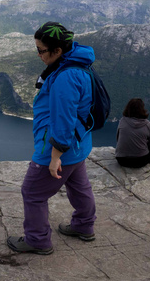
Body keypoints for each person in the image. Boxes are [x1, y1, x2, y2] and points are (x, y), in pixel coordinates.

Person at [6, 22, 96, 255]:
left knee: (33, 192)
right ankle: (84, 226)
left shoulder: (65, 77)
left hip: (58, 146)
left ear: (57, 50)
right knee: (79, 186)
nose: (38, 54)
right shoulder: (77, 64)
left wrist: (55, 156)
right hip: (79, 144)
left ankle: (37, 240)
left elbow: (63, 120)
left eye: (41, 50)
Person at [113, 98, 150, 168]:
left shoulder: (122, 121)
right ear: (142, 109)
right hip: (141, 161)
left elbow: (118, 139)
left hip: (121, 160)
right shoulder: (148, 125)